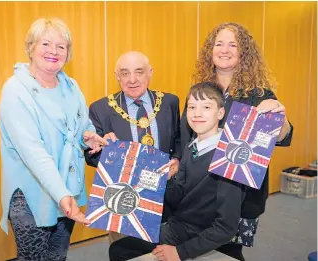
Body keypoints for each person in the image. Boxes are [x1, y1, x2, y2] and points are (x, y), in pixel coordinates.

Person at [180, 22, 294, 260]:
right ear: (210, 51)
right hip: (199, 190)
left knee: (228, 252)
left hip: (238, 194)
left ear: (244, 52)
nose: (225, 49)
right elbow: (185, 137)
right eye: (219, 44)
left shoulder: (260, 94)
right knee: (194, 245)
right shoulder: (199, 90)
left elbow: (282, 137)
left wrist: (280, 118)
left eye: (233, 44)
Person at [0, 18, 108, 261]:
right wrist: (62, 195)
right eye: (45, 43)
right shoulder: (16, 90)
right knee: (34, 258)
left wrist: (88, 137)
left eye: (61, 46)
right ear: (30, 47)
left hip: (67, 189)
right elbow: (33, 152)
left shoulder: (70, 86)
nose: (53, 51)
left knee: (58, 256)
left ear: (68, 53)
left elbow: (80, 126)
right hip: (32, 195)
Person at [109, 82, 245, 261]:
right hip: (179, 225)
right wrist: (166, 179)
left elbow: (226, 228)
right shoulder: (192, 147)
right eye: (192, 107)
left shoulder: (230, 158)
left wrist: (181, 252)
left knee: (121, 251)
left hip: (197, 234)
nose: (197, 114)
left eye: (206, 107)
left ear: (220, 113)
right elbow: (177, 197)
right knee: (120, 244)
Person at [85, 51, 182, 243]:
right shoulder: (100, 108)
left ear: (150, 73)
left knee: (165, 251)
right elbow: (90, 156)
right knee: (126, 252)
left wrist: (177, 160)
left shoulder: (169, 102)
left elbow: (178, 140)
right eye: (125, 73)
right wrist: (106, 150)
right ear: (117, 76)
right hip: (124, 201)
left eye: (139, 72)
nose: (132, 80)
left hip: (165, 195)